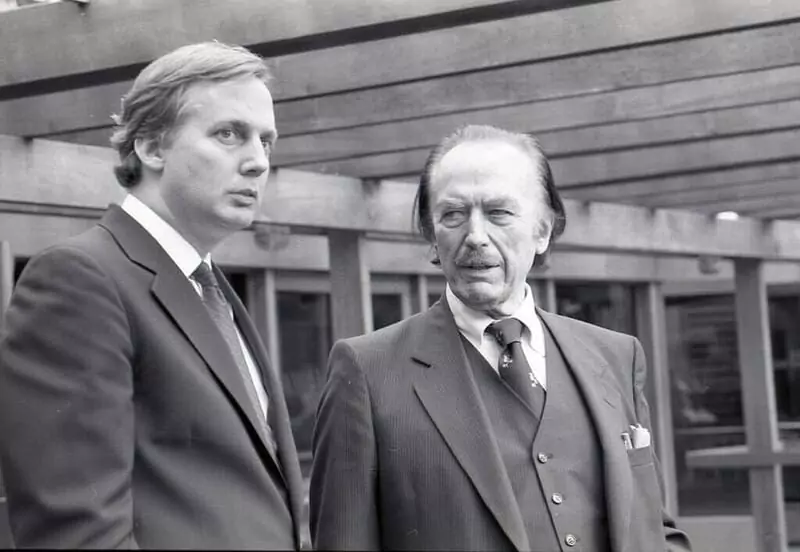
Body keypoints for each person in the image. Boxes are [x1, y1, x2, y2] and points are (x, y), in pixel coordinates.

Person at [310, 125, 691, 551]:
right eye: (453, 214)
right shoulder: (367, 371)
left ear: (543, 230)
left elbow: (654, 528)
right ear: (431, 234)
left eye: (499, 213)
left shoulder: (615, 355)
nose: (475, 236)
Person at [0, 42, 304, 549]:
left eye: (267, 142)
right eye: (229, 134)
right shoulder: (80, 280)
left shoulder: (210, 287)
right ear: (151, 146)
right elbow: (80, 534)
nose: (257, 162)